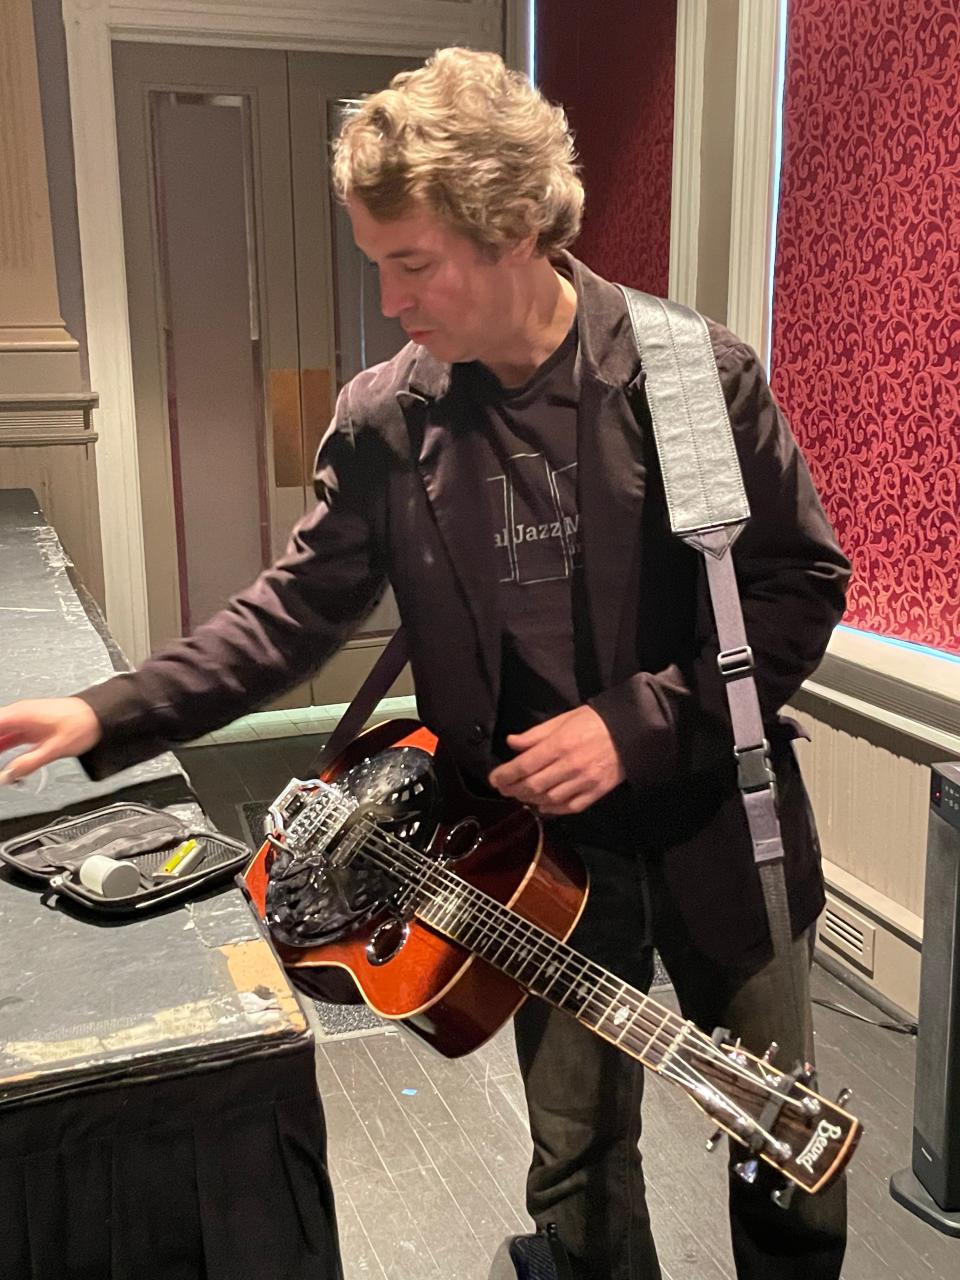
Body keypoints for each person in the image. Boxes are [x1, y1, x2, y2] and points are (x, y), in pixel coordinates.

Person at [0, 48, 850, 1280]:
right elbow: (288, 615)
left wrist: (637, 721)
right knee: (576, 1159)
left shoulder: (690, 375)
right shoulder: (389, 420)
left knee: (783, 1154)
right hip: (533, 862)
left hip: (725, 823)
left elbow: (795, 588)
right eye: (378, 265)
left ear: (514, 227)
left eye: (414, 265)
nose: (392, 300)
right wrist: (106, 707)